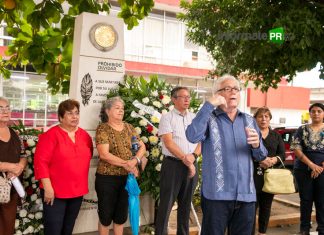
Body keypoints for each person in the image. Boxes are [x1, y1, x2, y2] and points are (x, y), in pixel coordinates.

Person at [186, 74, 268, 235]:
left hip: (246, 196)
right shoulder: (209, 118)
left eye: (236, 89)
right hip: (216, 196)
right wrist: (208, 105)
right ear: (218, 94)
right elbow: (192, 136)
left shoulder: (250, 121)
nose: (233, 92)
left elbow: (261, 156)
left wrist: (257, 145)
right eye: (228, 89)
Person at [34, 99, 93, 235]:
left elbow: (89, 154)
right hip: (55, 192)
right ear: (60, 117)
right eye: (70, 113)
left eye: (77, 113)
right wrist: (48, 188)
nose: (75, 117)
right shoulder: (50, 136)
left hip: (77, 191)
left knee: (68, 228)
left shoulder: (85, 136)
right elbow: (40, 162)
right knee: (54, 229)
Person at [95, 96, 146, 235]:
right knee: (105, 216)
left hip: (126, 178)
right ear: (107, 111)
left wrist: (135, 161)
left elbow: (142, 147)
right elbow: (104, 155)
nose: (120, 111)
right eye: (117, 108)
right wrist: (127, 164)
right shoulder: (103, 128)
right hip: (107, 178)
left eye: (122, 109)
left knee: (121, 216)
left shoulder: (129, 127)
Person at [155, 86, 201, 235]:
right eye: (183, 97)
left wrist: (193, 157)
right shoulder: (167, 117)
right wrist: (185, 159)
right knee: (166, 204)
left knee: (186, 205)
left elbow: (201, 141)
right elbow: (168, 142)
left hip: (192, 164)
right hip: (173, 166)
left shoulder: (194, 118)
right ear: (174, 99)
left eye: (188, 96)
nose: (187, 99)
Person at [291, 102, 324, 235]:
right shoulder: (301, 129)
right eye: (313, 111)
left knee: (322, 200)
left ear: (323, 114)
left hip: (323, 171)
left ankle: (322, 228)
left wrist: (320, 167)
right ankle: (304, 229)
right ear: (309, 113)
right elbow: (296, 149)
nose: (316, 113)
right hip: (303, 170)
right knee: (306, 200)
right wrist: (311, 165)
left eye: (319, 111)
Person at [252, 107, 286, 235]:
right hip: (253, 175)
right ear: (255, 119)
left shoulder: (276, 135)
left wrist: (273, 160)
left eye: (266, 116)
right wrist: (259, 160)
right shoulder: (252, 133)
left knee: (266, 206)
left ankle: (262, 232)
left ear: (270, 119)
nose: (263, 119)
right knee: (250, 207)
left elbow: (282, 154)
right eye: (260, 116)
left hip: (270, 176)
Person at [0, 97, 27, 235]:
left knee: (7, 225)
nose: (5, 111)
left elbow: (23, 155)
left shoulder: (15, 134)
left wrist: (19, 167)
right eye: (1, 108)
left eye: (7, 107)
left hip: (10, 189)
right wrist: (8, 166)